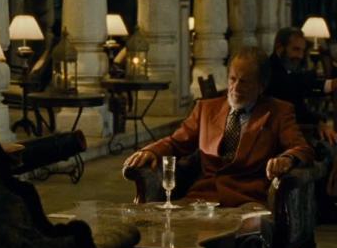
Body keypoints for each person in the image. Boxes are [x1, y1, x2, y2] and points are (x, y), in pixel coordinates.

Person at [123, 46, 314, 207]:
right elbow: (176, 142)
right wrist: (152, 151)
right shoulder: (206, 109)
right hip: (202, 198)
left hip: (247, 201)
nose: (236, 88)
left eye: (244, 82)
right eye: (233, 79)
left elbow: (302, 149)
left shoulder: (278, 112)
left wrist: (287, 159)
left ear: (261, 86)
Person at [266, 26, 337, 145]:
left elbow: (303, 84)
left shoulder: (284, 69)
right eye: (296, 49)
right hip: (279, 136)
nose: (300, 56)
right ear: (279, 48)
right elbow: (296, 108)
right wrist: (318, 123)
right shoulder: (272, 73)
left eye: (302, 51)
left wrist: (332, 84)